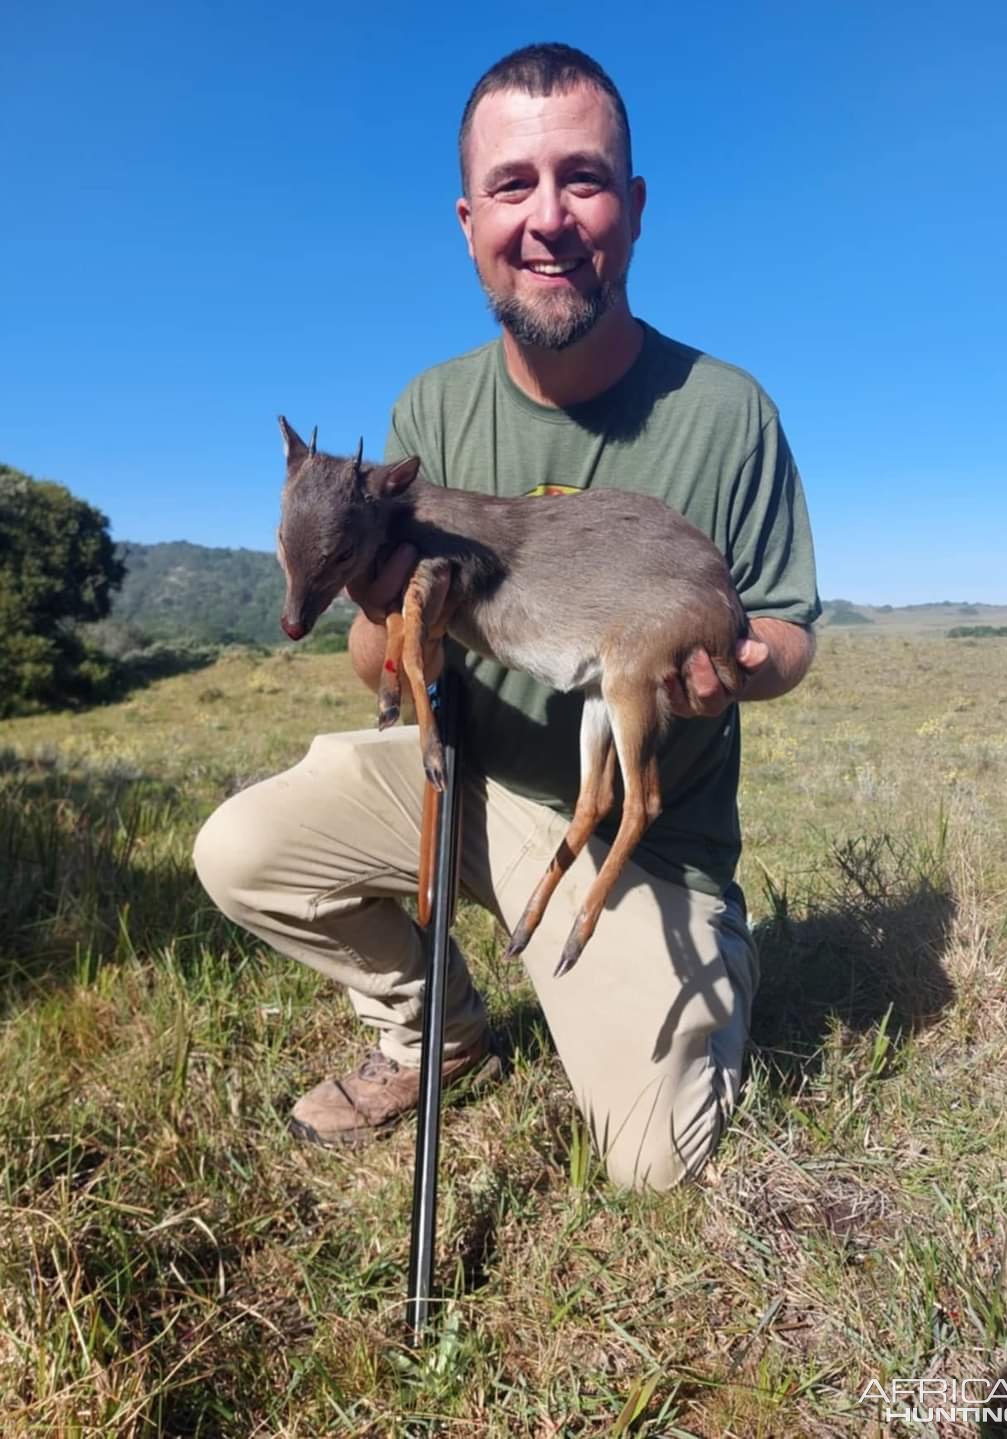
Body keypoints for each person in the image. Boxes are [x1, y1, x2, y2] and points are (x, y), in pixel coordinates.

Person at [194, 42, 820, 1192]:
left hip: (643, 853)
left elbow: (785, 633)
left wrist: (734, 663)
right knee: (240, 849)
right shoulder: (426, 409)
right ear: (469, 217)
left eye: (581, 180)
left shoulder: (728, 414)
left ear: (630, 209)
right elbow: (368, 665)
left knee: (655, 1160)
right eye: (512, 187)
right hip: (463, 786)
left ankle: (674, 968)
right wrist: (386, 618)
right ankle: (436, 1025)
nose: (548, 219)